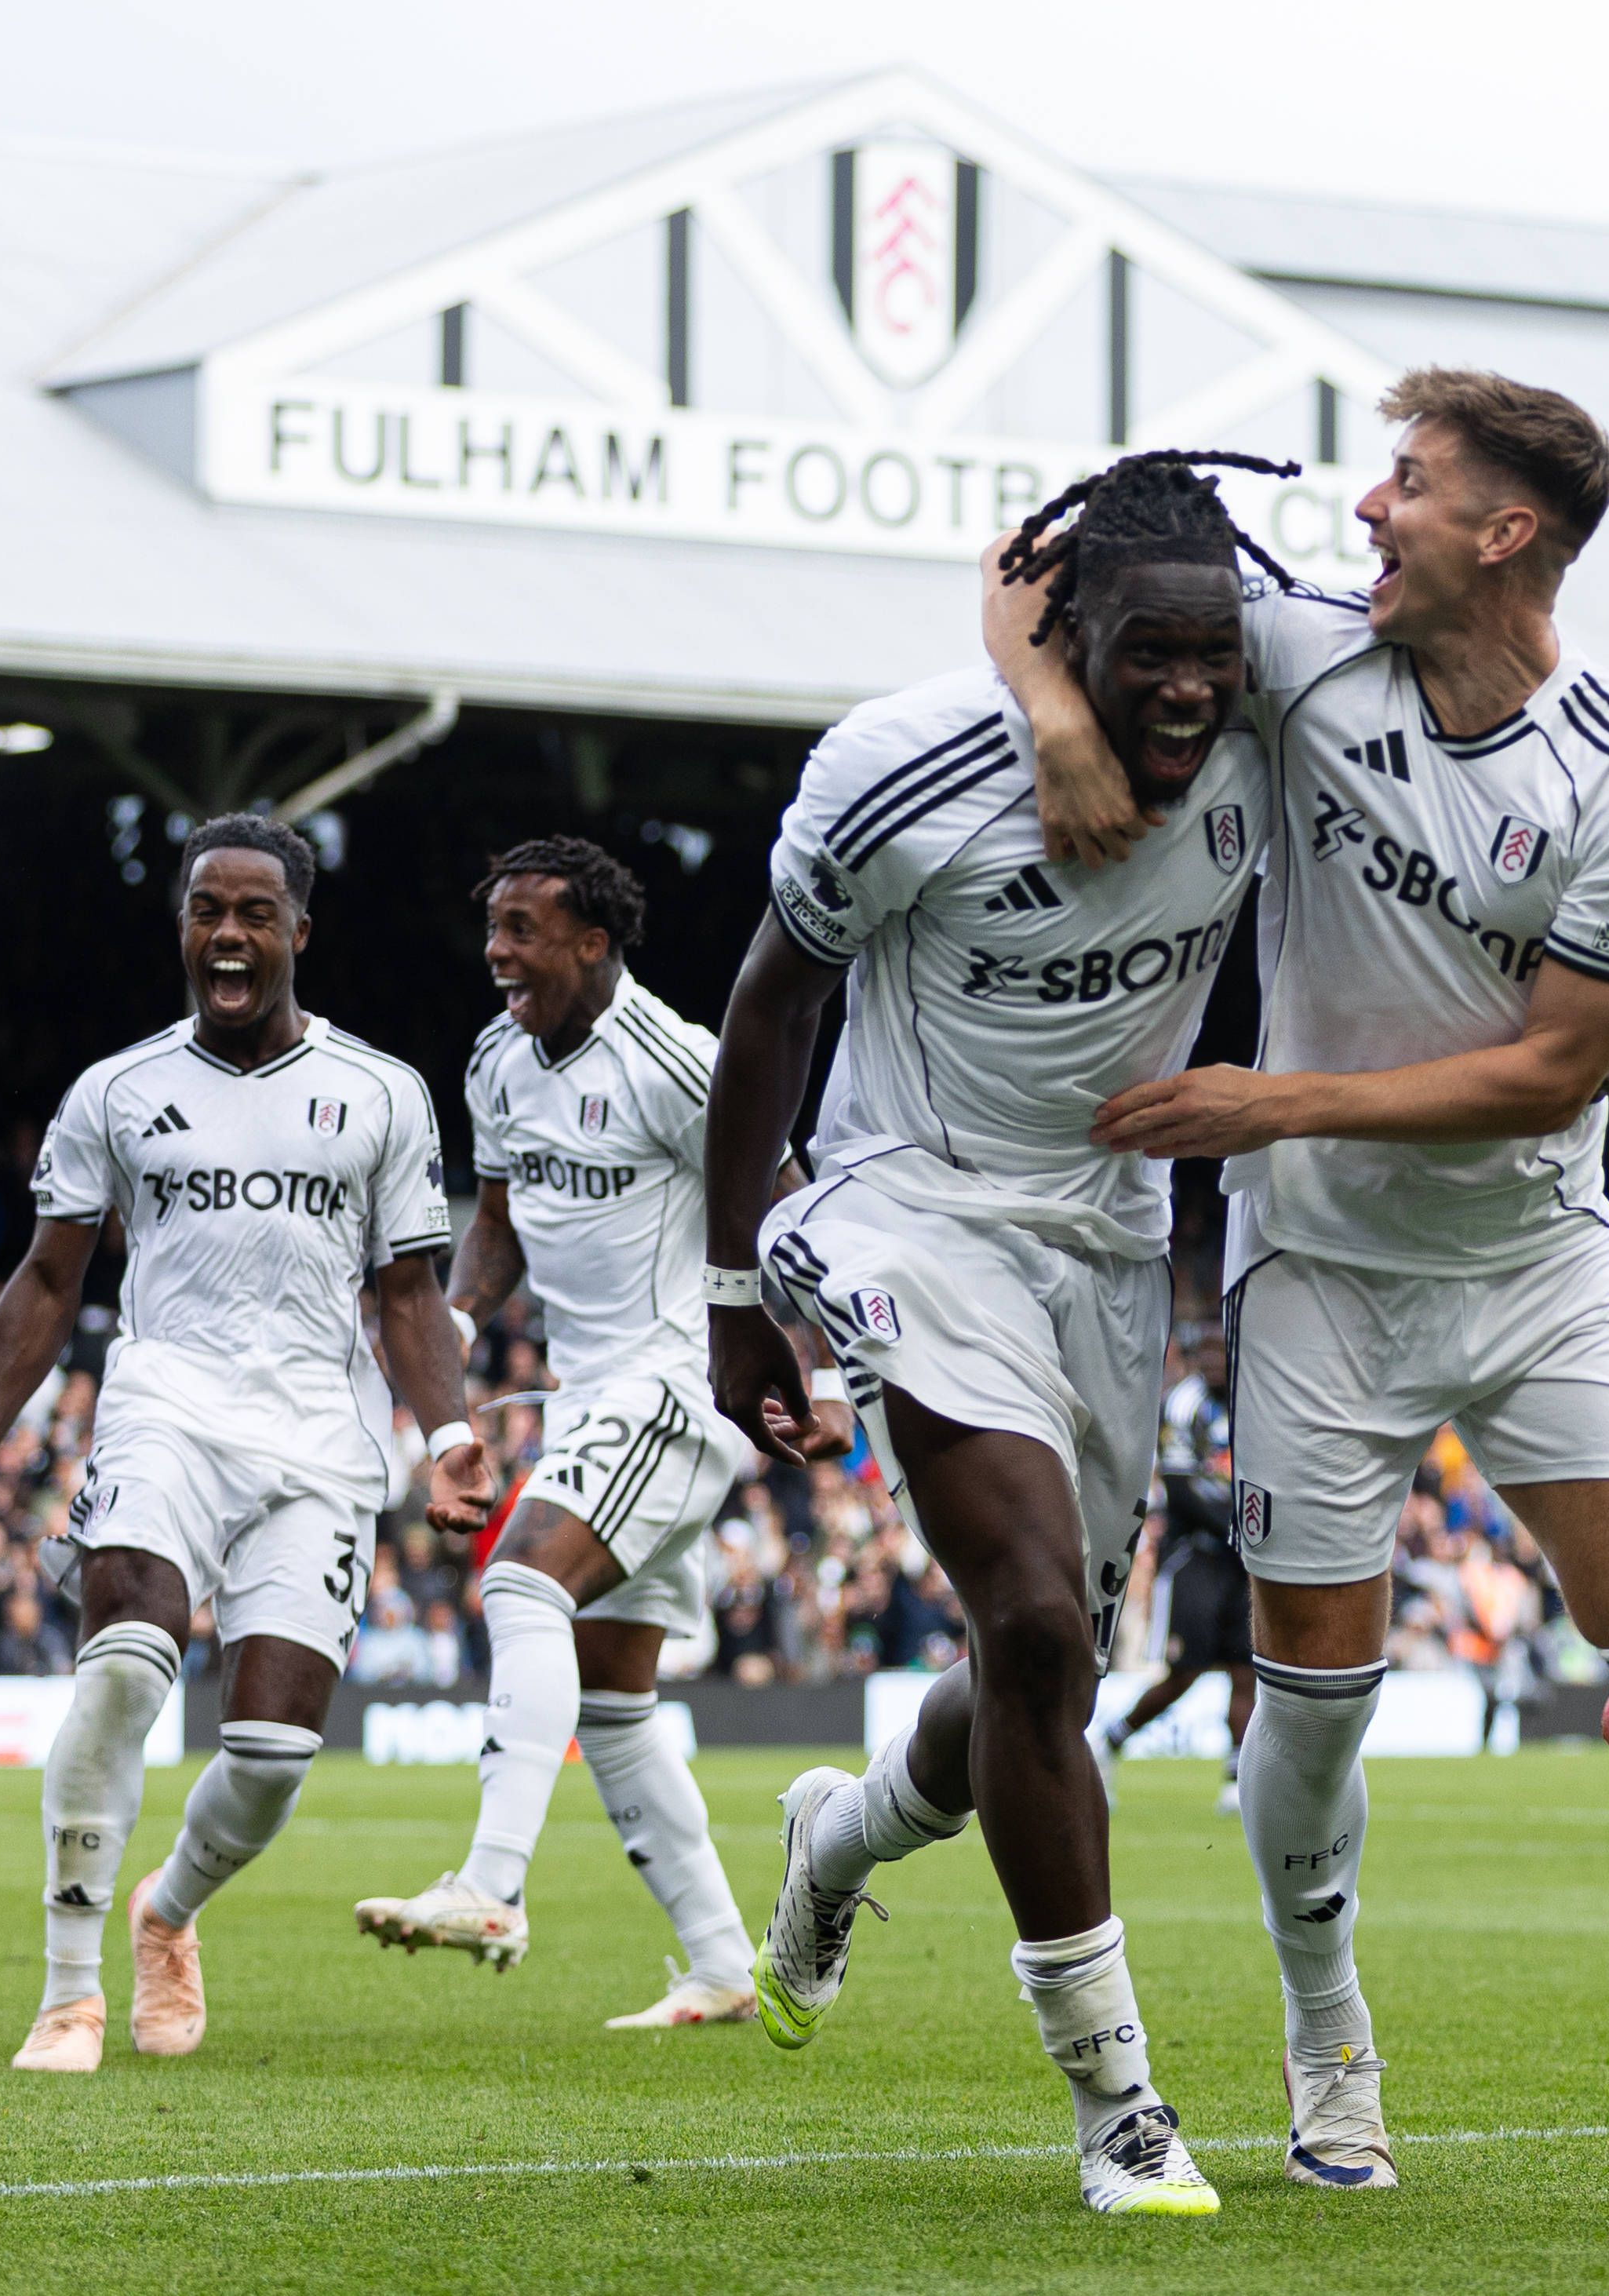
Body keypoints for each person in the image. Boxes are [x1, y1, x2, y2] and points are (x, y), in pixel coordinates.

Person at [993, 368, 1609, 2192]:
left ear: (1504, 534)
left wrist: (1279, 1098)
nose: (1364, 510)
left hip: (1530, 1263)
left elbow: (1555, 1068)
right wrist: (1053, 717)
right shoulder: (1307, 648)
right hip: (1320, 1283)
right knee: (1316, 1713)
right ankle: (1327, 2030)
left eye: (1407, 485)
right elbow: (1035, 559)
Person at [708, 450, 1291, 2218]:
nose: (1186, 687)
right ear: (1062, 632)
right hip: (913, 1198)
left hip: (1111, 1233)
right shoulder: (900, 766)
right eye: (1142, 651)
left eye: (1214, 650)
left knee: (1047, 1671)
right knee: (1032, 1617)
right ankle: (1118, 2103)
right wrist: (735, 1294)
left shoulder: (1282, 725)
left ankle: (848, 1829)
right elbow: (767, 1007)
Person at [0, 813, 493, 2075]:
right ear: (182, 924)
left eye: (252, 912)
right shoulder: (117, 1091)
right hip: (164, 1407)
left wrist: (450, 1430)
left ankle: (166, 1911)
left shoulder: (384, 1092)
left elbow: (407, 1293)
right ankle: (67, 1992)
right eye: (204, 910)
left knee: (274, 1753)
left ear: (300, 928)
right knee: (127, 1662)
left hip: (316, 1436)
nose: (226, 934)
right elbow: (46, 1275)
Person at [351, 835, 850, 2030]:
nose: (497, 952)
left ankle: (492, 1883)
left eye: (523, 929)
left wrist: (826, 1370)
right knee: (616, 1696)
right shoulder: (495, 1061)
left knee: (522, 1586)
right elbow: (501, 1218)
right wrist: (460, 1320)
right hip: (592, 1398)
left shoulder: (679, 1061)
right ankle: (725, 1964)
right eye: (493, 928)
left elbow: (790, 1204)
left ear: (594, 940)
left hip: (677, 1385)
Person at [1091, 1440, 1254, 1817]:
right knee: (1184, 1674)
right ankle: (1109, 1743)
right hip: (1194, 1560)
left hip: (1240, 1566)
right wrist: (1239, 1528)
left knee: (1245, 1671)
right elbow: (1181, 1490)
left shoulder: (1252, 1399)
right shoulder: (1187, 1406)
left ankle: (1235, 1781)